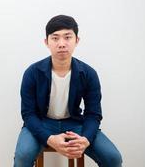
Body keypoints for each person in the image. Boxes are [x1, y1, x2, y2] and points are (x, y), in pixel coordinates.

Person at [13, 15, 122, 167]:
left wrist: (86, 139)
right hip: (41, 122)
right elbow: (28, 114)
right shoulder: (32, 72)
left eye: (67, 37)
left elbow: (94, 114)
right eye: (55, 38)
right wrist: (49, 138)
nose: (62, 44)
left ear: (77, 40)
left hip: (75, 124)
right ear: (47, 42)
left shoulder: (89, 73)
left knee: (113, 157)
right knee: (23, 156)